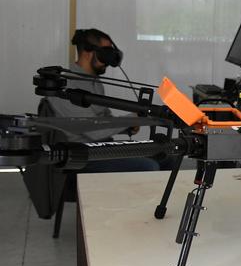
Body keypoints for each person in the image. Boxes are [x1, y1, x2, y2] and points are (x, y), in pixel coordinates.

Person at [44, 28, 160, 172]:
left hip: (101, 149)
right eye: (105, 52)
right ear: (87, 52)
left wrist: (127, 127)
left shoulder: (95, 83)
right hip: (80, 155)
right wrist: (131, 120)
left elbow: (106, 119)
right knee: (149, 166)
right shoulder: (66, 86)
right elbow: (93, 130)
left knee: (162, 156)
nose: (109, 58)